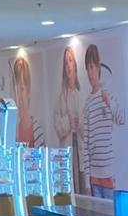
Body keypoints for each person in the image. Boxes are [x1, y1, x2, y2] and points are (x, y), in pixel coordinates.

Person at [81, 43, 125, 199]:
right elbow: (85, 145)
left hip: (108, 172)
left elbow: (121, 119)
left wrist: (109, 103)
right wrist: (87, 183)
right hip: (94, 177)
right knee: (97, 213)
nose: (90, 73)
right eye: (88, 68)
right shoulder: (87, 104)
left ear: (98, 67)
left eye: (93, 67)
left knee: (111, 212)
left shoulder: (108, 94)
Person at [52, 46, 83, 185]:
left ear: (75, 64)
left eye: (70, 61)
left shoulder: (81, 94)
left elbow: (87, 125)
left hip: (81, 150)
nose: (68, 65)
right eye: (65, 63)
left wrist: (79, 124)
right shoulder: (60, 97)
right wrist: (68, 122)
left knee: (82, 184)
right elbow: (57, 124)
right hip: (67, 148)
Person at [12, 54, 44, 148]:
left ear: (28, 92)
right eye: (16, 91)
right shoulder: (14, 131)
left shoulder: (37, 131)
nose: (19, 98)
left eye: (22, 89)